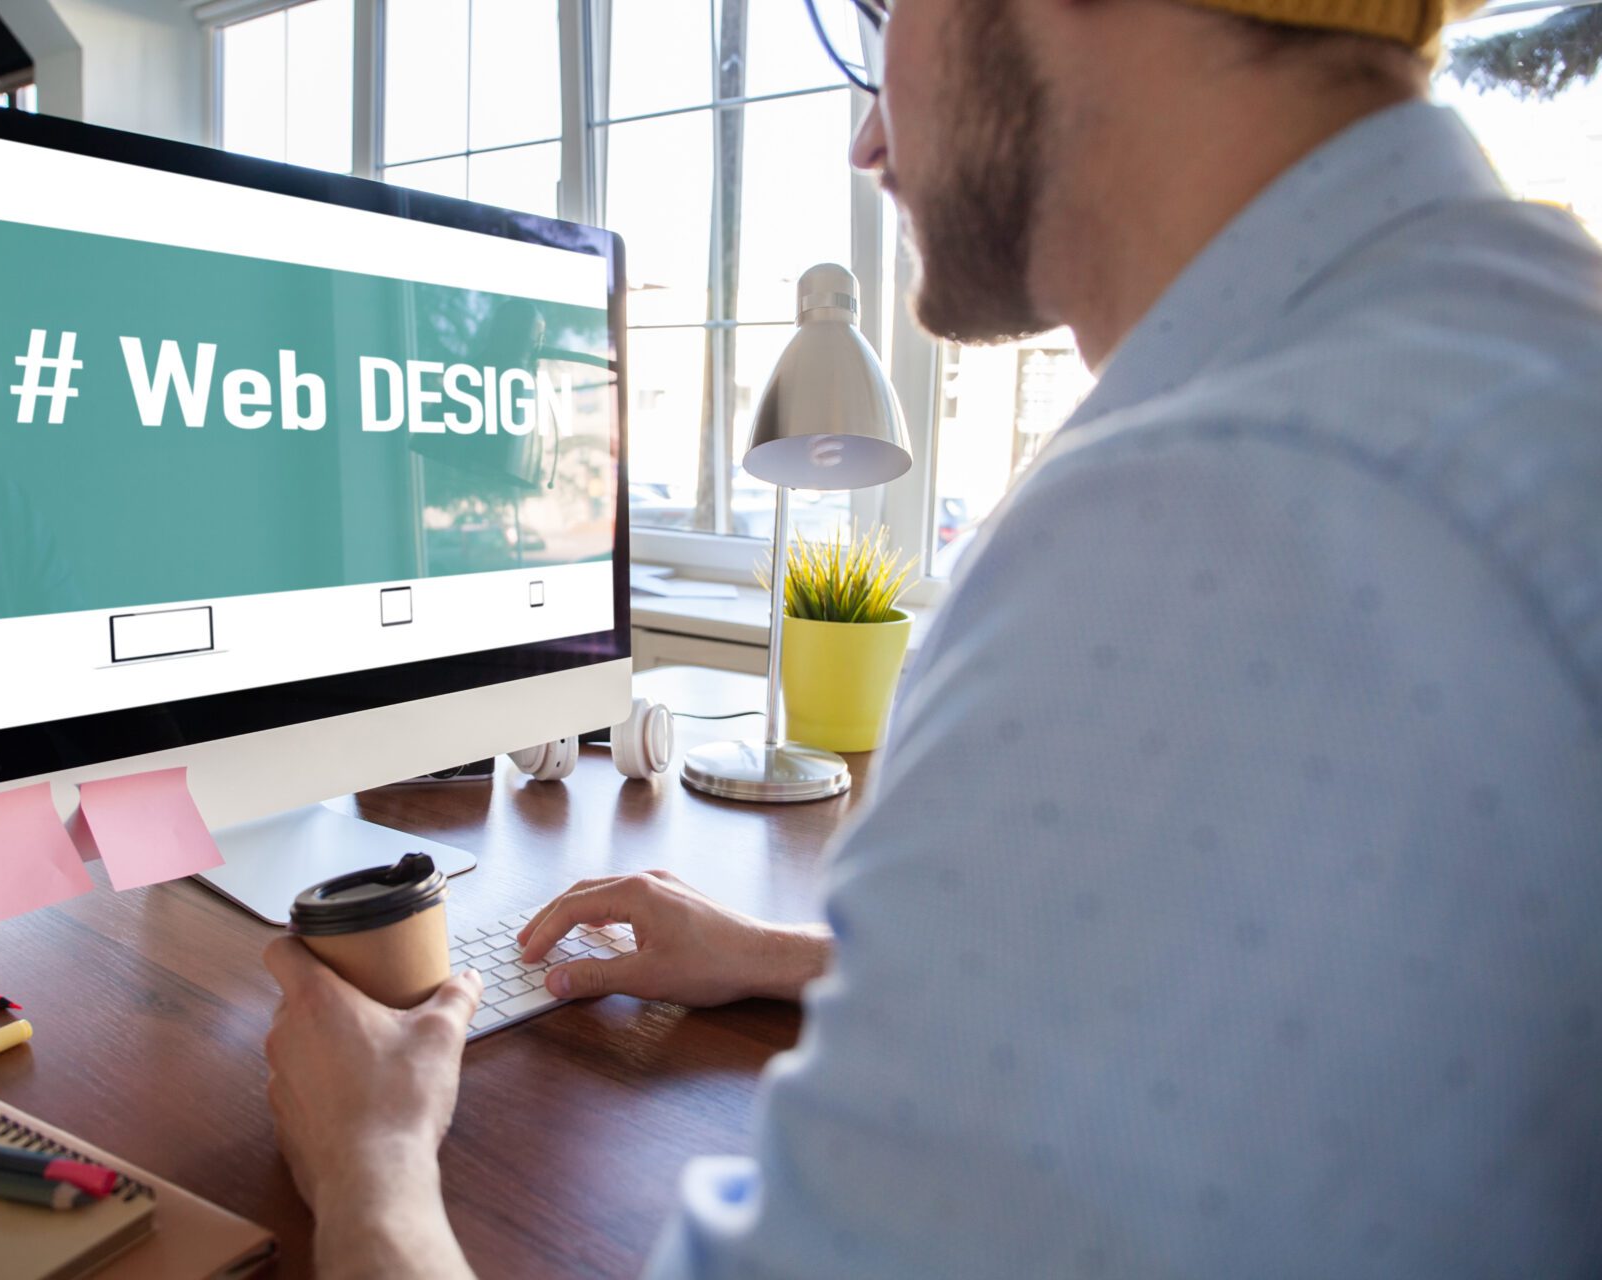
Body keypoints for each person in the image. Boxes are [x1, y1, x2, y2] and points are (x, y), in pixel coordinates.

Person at [262, 0, 1602, 1273]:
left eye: (879, 11)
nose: (865, 134)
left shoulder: (1229, 506)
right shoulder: (1510, 348)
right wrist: (792, 957)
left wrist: (371, 1167)